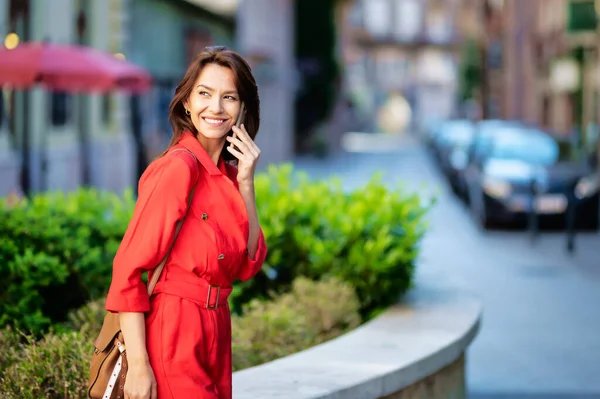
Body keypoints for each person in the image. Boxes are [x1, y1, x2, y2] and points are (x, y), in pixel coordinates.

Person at [104, 46, 268, 399]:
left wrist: (246, 183)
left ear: (242, 109)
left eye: (230, 97)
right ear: (186, 103)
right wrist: (139, 364)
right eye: (205, 94)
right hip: (174, 329)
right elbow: (128, 271)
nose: (216, 107)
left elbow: (247, 265)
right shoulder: (178, 168)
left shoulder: (228, 175)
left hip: (216, 328)